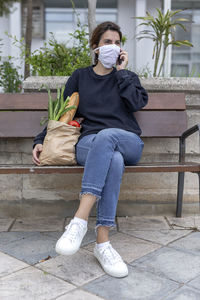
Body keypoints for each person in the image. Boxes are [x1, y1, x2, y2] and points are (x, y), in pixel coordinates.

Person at [32, 21, 148, 278]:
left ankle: (79, 220)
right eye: (107, 42)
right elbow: (63, 111)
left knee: (110, 140)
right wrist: (40, 139)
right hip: (90, 143)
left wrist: (121, 73)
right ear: (95, 47)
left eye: (117, 42)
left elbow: (137, 103)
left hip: (127, 139)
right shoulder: (80, 77)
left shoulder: (126, 76)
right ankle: (103, 243)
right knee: (113, 159)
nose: (113, 46)